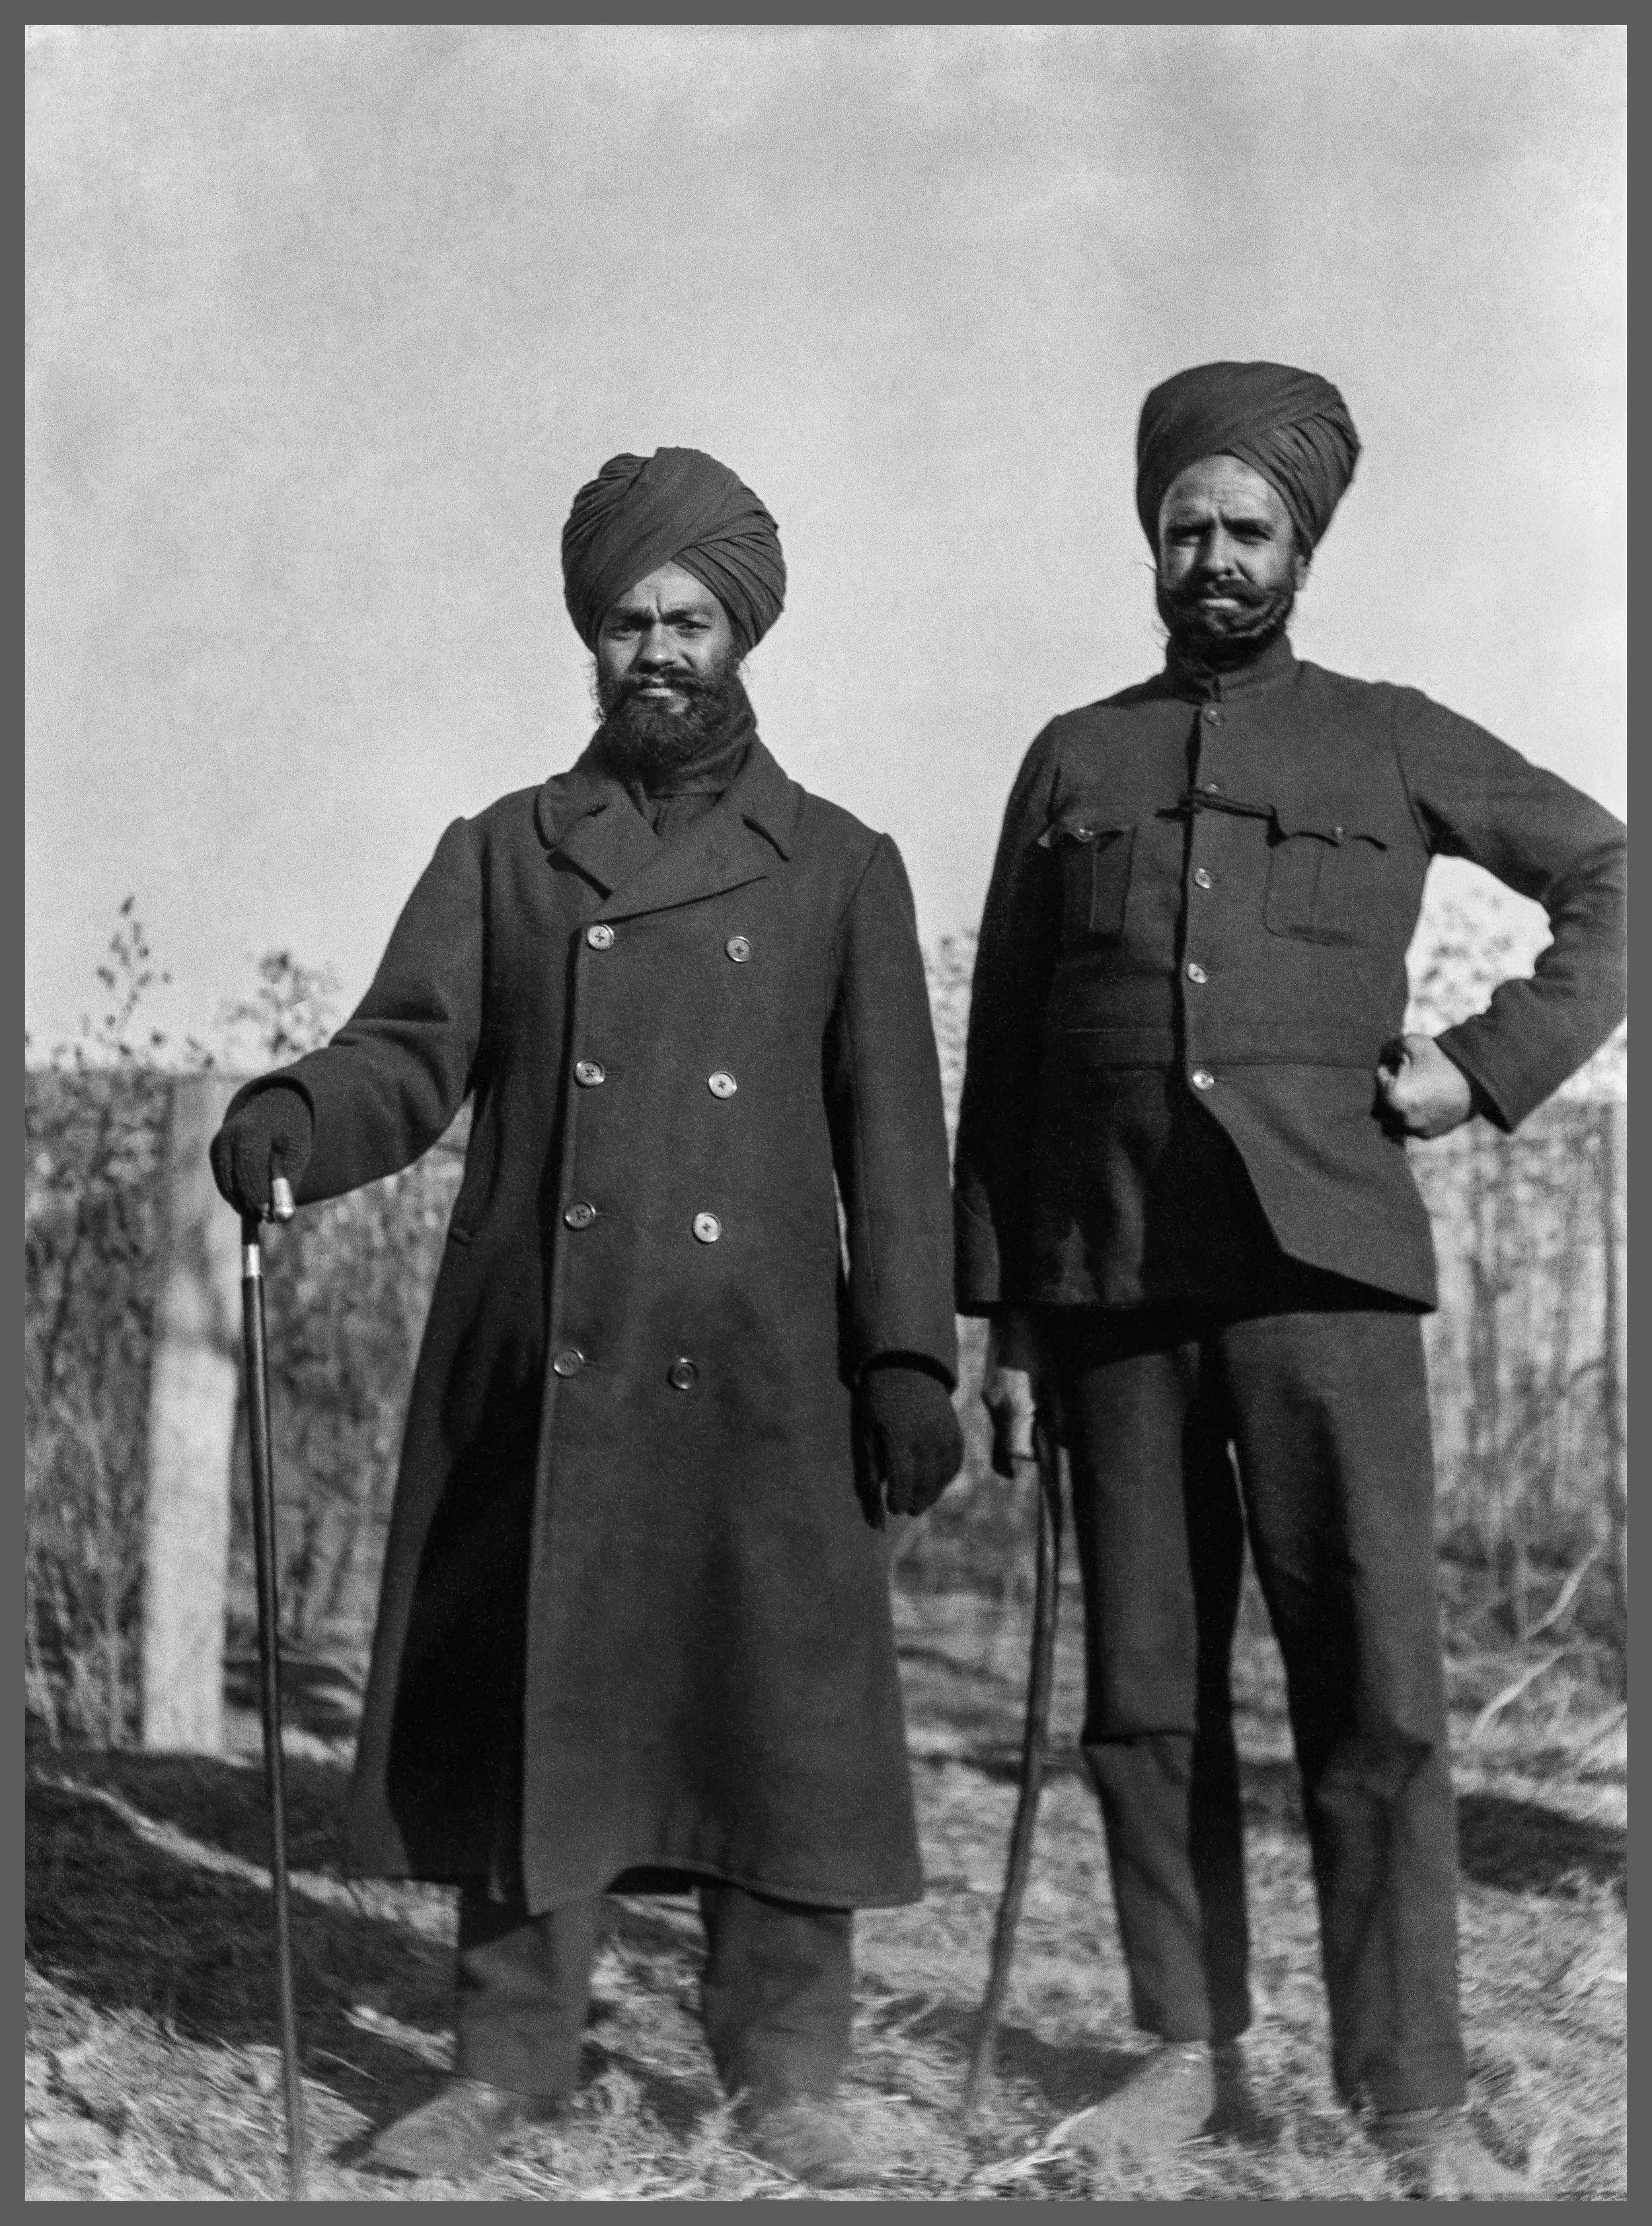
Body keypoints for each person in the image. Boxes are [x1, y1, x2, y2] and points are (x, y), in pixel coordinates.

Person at [211, 445, 964, 2188]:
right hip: (552, 1370)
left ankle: (788, 2076)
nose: (657, 651)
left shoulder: (840, 864)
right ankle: (504, 2061)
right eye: (626, 622)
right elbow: (405, 1055)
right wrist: (297, 1126)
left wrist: (909, 1357)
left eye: (689, 618)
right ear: (590, 637)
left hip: (767, 1378)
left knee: (772, 1723)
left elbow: (895, 1145)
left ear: (743, 630)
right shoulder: (507, 854)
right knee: (540, 1709)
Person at [952, 360, 1625, 2198]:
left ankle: (1408, 2094)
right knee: (1143, 1698)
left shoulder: (1389, 736)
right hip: (1110, 1292)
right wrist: (1002, 1313)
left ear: (1300, 545)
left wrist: (1477, 1068)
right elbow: (1007, 1050)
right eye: (1185, 527)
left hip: (1325, 1279)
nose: (1213, 559)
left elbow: (1610, 879)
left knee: (1379, 1697)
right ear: (1149, 538)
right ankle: (1189, 2058)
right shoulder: (1072, 760)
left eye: (1247, 530)